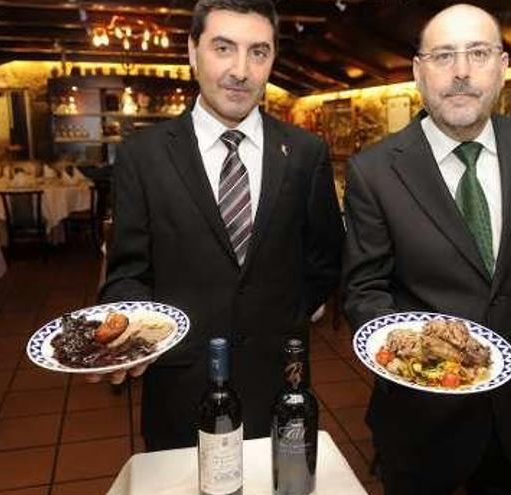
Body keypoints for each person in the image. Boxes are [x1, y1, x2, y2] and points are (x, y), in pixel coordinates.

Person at [342, 4, 511, 494]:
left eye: (477, 53)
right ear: (418, 72)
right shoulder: (374, 171)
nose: (461, 71)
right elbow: (363, 288)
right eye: (443, 56)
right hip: (421, 420)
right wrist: (419, 356)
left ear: (502, 67)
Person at [99, 0, 344, 451]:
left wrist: (284, 317)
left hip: (279, 381)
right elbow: (129, 272)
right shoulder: (143, 156)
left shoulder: (305, 152)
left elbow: (326, 259)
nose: (241, 70)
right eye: (223, 48)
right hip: (180, 385)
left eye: (258, 52)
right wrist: (128, 327)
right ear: (192, 52)